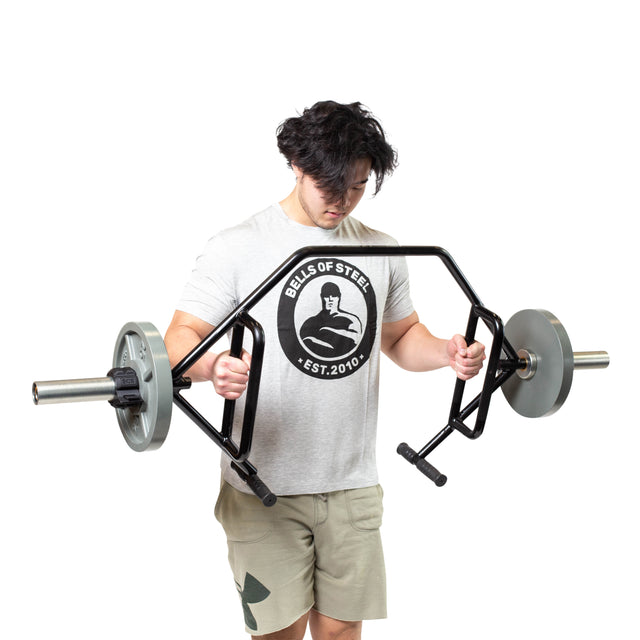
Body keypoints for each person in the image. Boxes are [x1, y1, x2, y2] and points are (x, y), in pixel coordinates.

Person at [164, 101, 486, 640]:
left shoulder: (382, 250)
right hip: (263, 484)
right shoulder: (238, 247)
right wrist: (212, 364)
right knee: (279, 635)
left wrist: (448, 353)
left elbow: (402, 338)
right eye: (330, 187)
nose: (342, 202)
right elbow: (177, 339)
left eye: (357, 186)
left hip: (352, 483)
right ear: (296, 164)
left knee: (340, 633)